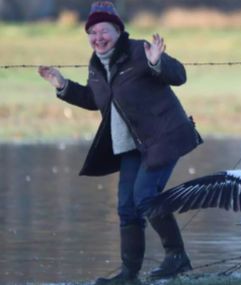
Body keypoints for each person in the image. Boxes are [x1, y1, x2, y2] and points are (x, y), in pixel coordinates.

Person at [38, 1, 202, 284]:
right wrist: (63, 86)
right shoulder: (96, 66)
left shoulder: (139, 50)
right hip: (131, 147)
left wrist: (157, 63)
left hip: (162, 138)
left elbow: (180, 75)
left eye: (104, 31)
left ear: (117, 31)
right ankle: (129, 275)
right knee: (127, 207)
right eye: (92, 33)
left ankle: (177, 257)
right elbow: (96, 99)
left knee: (145, 197)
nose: (98, 38)